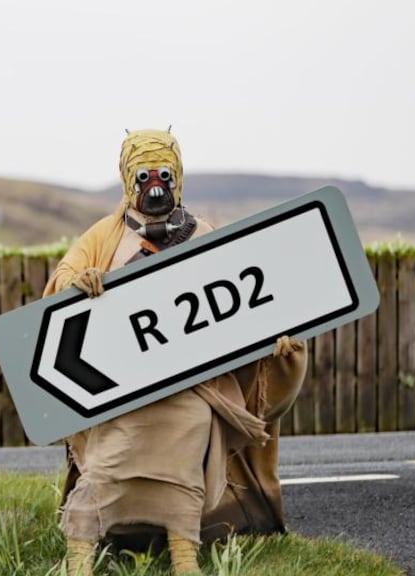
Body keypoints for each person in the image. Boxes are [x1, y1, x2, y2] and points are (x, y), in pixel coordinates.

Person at [46, 129, 308, 575]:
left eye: (164, 174)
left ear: (178, 177)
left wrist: (274, 343)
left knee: (192, 427)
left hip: (190, 388)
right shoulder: (103, 236)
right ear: (129, 178)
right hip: (121, 389)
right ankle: (81, 554)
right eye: (145, 175)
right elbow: (65, 278)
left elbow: (238, 305)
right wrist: (79, 282)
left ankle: (184, 553)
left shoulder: (202, 234)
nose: (155, 185)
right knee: (109, 454)